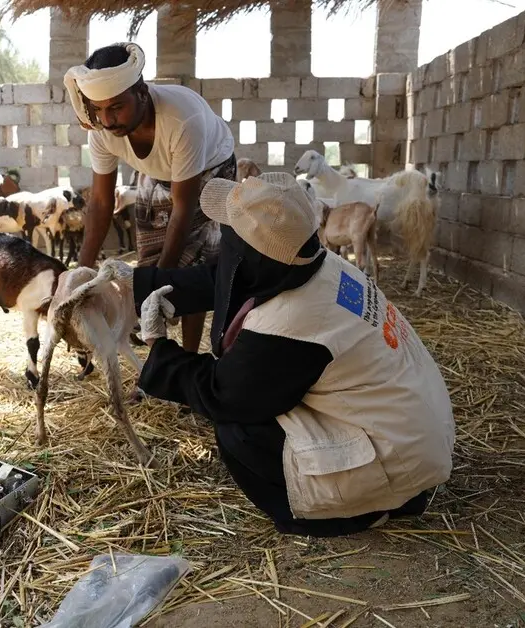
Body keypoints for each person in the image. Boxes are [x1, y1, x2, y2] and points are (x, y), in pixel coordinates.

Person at [111, 172, 456, 536]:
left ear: (248, 254)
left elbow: (223, 393)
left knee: (238, 431)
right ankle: (387, 490)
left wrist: (158, 345)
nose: (223, 241)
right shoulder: (312, 264)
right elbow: (224, 278)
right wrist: (134, 285)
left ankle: (351, 511)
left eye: (230, 234)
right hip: (419, 431)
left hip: (400, 457)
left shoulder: (291, 322)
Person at [64, 42, 236, 353]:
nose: (108, 119)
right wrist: (81, 274)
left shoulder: (182, 119)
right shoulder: (101, 131)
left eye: (116, 107)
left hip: (211, 170)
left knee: (190, 269)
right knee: (147, 262)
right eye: (99, 110)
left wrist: (158, 282)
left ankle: (188, 361)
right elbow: (102, 203)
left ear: (142, 93)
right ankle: (159, 363)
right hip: (160, 173)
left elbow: (184, 208)